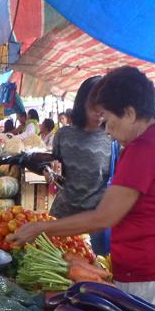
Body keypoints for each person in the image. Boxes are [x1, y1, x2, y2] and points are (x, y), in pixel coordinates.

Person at [9, 66, 155, 311]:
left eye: (108, 120)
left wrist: (41, 228)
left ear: (128, 113)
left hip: (153, 271)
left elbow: (104, 216)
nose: (106, 130)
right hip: (154, 267)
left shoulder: (145, 148)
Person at [47, 76, 113, 255]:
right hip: (62, 214)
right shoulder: (63, 135)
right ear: (82, 103)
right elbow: (55, 174)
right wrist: (51, 174)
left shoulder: (112, 139)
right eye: (94, 107)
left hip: (94, 222)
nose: (99, 113)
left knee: (93, 272)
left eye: (104, 108)